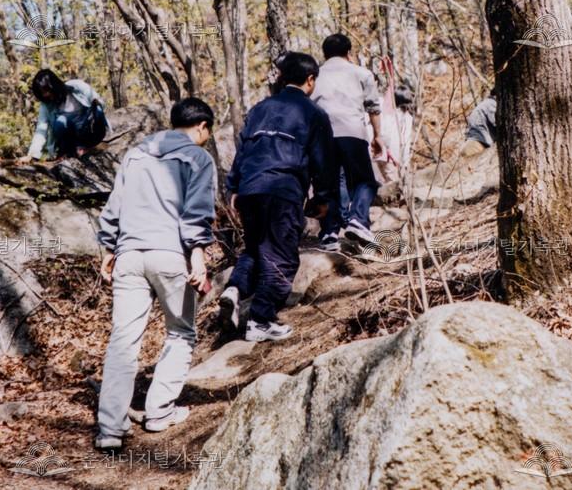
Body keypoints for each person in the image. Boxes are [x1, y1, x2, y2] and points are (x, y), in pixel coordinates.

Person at [94, 98, 216, 450]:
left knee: (123, 339)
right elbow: (196, 212)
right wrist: (197, 254)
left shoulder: (134, 155)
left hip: (130, 255)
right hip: (170, 254)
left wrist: (108, 248)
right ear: (202, 127)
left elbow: (114, 206)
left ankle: (110, 430)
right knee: (180, 332)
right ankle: (159, 411)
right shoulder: (198, 157)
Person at [220, 52, 336, 343]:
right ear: (310, 80)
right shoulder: (314, 113)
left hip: (250, 187)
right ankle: (261, 319)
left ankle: (234, 289)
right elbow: (323, 160)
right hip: (282, 189)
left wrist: (234, 187)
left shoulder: (260, 109)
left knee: (255, 249)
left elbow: (243, 149)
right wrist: (323, 197)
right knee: (282, 257)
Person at [310, 34, 383, 251]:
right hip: (352, 131)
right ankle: (358, 220)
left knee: (332, 184)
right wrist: (378, 136)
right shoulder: (361, 73)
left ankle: (330, 233)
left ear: (324, 54)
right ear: (349, 52)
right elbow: (373, 107)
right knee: (365, 181)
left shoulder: (314, 76)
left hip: (322, 136)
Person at [19, 69, 108, 162]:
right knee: (60, 121)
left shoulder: (76, 85)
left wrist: (96, 103)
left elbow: (97, 100)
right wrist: (32, 155)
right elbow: (41, 129)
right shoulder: (45, 106)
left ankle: (92, 145)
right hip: (70, 142)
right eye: (42, 92)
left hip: (91, 131)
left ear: (54, 85)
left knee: (97, 107)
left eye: (46, 90)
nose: (45, 94)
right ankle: (68, 151)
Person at [461, 87, 497, 157]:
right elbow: (497, 124)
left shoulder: (485, 104)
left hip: (471, 144)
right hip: (476, 145)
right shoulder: (492, 104)